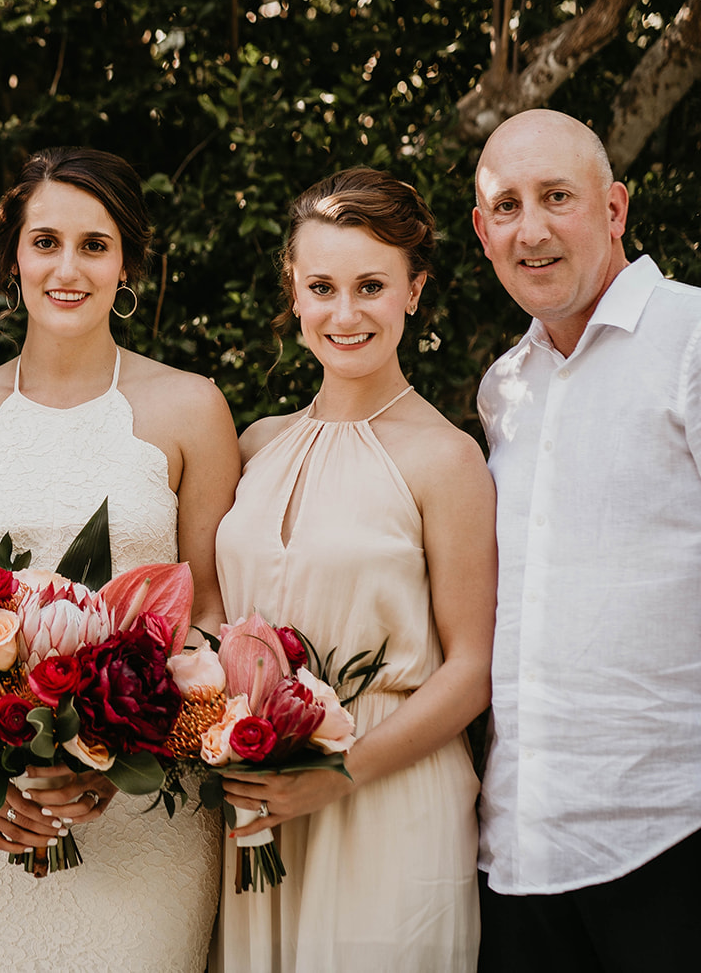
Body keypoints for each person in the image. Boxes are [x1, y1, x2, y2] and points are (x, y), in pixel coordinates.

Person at [473, 109, 701, 972]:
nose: (532, 229)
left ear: (614, 209)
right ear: (482, 229)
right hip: (522, 856)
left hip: (680, 843)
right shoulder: (505, 390)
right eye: (508, 205)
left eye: (557, 197)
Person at [0, 147, 240, 972]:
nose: (68, 267)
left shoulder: (192, 408)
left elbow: (214, 618)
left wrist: (127, 756)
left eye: (95, 243)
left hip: (143, 811)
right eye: (45, 241)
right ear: (14, 258)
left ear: (129, 264)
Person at [212, 167, 495, 971]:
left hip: (388, 787)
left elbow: (472, 667)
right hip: (261, 790)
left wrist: (339, 772)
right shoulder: (257, 444)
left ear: (414, 290)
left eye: (371, 285)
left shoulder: (447, 458)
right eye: (322, 287)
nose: (345, 313)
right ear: (294, 294)